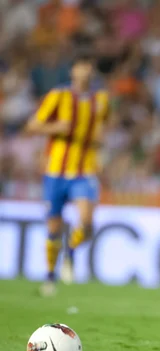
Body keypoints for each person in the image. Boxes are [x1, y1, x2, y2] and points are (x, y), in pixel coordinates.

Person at [24, 52, 110, 297]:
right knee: (53, 225)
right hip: (55, 171)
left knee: (87, 221)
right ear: (72, 70)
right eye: (81, 66)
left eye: (89, 66)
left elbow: (103, 127)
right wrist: (56, 127)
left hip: (85, 169)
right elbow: (32, 125)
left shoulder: (101, 99)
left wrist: (101, 150)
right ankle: (50, 277)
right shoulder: (58, 96)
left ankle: (70, 252)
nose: (85, 71)